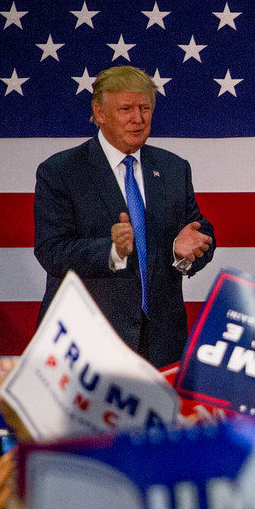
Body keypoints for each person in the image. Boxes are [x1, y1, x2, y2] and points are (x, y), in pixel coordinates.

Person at [34, 66, 215, 368]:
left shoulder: (173, 168)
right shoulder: (62, 171)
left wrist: (184, 250)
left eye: (145, 108)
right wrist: (111, 251)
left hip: (161, 344)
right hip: (87, 345)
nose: (138, 119)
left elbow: (199, 232)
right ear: (100, 112)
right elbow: (51, 251)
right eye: (126, 109)